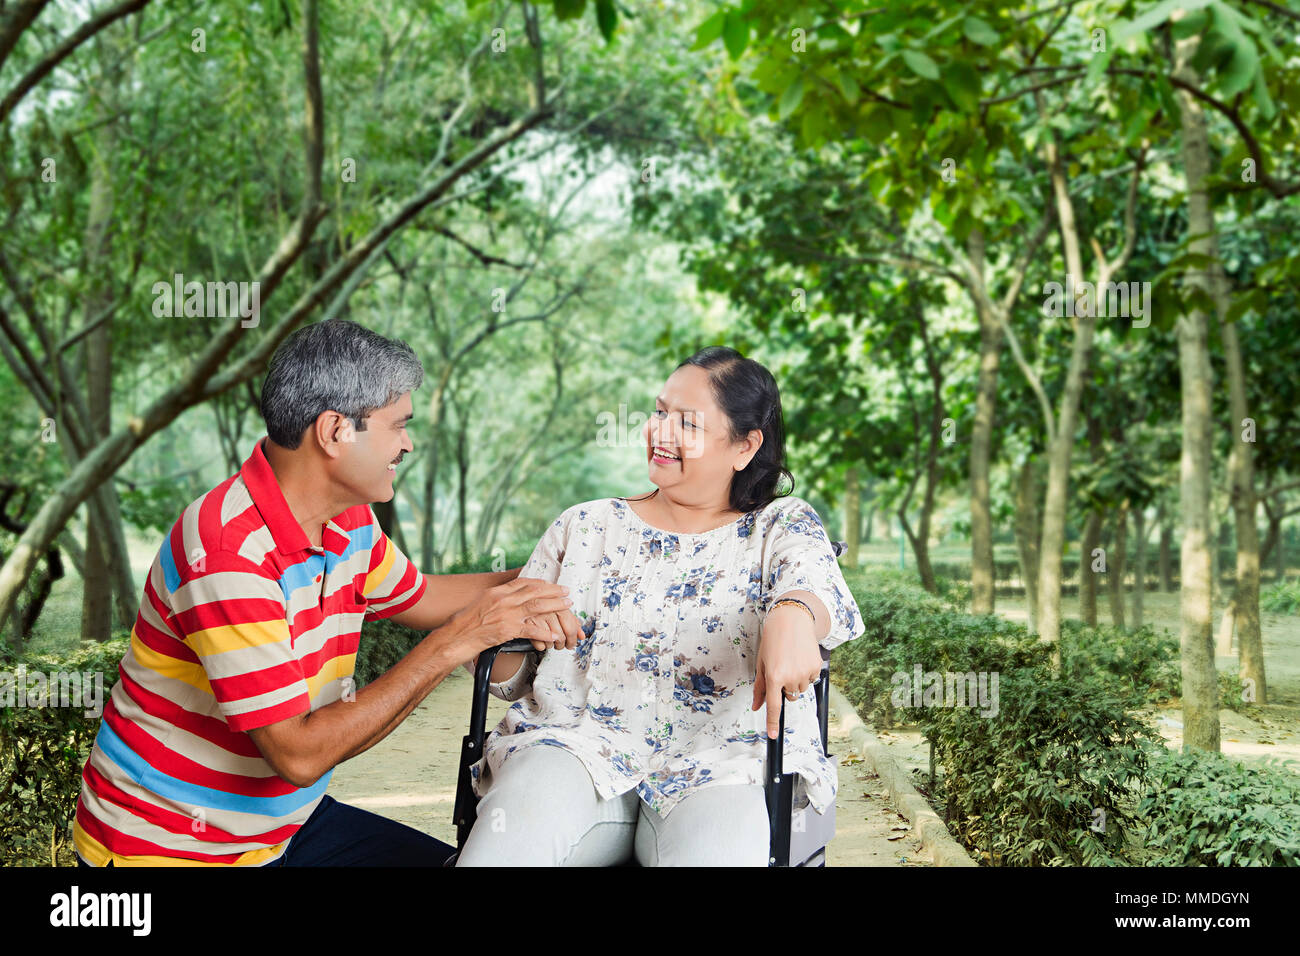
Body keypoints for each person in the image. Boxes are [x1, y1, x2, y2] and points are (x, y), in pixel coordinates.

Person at [72, 319, 579, 867]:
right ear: (336, 431)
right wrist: (462, 639)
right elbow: (300, 753)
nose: (407, 444)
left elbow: (424, 597)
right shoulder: (227, 552)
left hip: (286, 831)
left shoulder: (348, 519)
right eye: (398, 425)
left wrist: (573, 568)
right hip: (172, 850)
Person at [456, 346, 865, 866]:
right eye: (659, 412)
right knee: (505, 845)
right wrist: (484, 637)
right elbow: (519, 674)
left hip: (724, 761)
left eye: (687, 423)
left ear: (745, 445)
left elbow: (812, 585)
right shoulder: (585, 527)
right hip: (574, 747)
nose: (660, 432)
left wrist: (793, 616)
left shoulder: (780, 526)